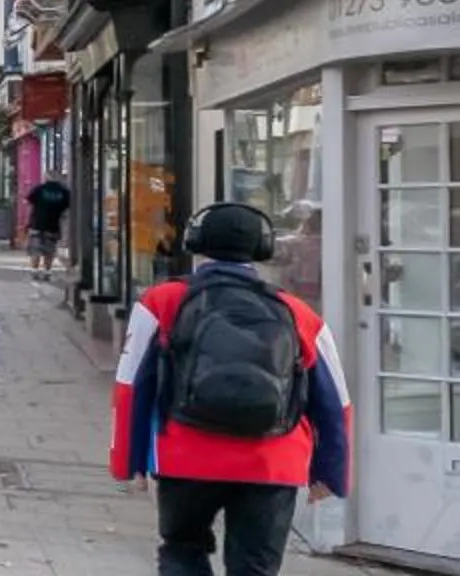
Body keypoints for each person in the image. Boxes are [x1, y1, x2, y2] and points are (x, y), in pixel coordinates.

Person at [113, 202, 350, 576]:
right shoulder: (297, 311)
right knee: (255, 567)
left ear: (196, 242)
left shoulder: (162, 300)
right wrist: (331, 471)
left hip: (185, 455)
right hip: (273, 462)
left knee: (182, 549)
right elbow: (334, 401)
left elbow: (131, 385)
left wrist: (130, 461)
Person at [28, 174, 73, 274]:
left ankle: (34, 270)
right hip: (53, 226)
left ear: (46, 178)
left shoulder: (39, 189)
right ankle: (47, 271)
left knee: (35, 249)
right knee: (49, 250)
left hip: (37, 224)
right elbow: (67, 208)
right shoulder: (64, 192)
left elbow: (29, 202)